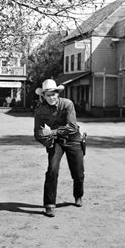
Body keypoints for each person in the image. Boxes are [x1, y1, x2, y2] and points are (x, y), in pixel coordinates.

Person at [33, 79, 85, 217]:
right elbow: (37, 133)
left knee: (78, 173)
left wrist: (52, 132)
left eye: (54, 94)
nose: (52, 97)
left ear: (58, 93)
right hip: (55, 142)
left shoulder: (67, 104)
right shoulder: (40, 110)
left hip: (73, 140)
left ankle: (78, 195)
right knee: (52, 170)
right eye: (48, 95)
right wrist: (47, 142)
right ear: (43, 96)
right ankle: (49, 205)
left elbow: (72, 127)